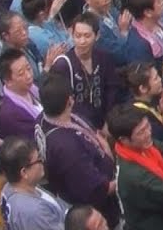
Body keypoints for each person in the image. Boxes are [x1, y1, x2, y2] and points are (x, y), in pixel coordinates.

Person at [35, 75, 119, 225]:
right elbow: (96, 189)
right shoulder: (67, 148)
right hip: (94, 209)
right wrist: (121, 182)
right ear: (70, 100)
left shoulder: (45, 116)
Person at [107, 101, 163, 230]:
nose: (148, 133)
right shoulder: (133, 176)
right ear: (124, 140)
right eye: (141, 132)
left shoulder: (142, 145)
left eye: (147, 126)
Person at [0, 135, 70, 229]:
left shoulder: (10, 186)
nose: (42, 161)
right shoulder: (34, 212)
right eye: (38, 160)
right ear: (24, 172)